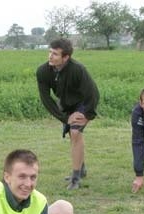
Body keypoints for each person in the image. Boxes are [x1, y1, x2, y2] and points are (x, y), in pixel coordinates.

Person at [36, 38, 99, 190]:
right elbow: (46, 99)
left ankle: (76, 178)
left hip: (83, 103)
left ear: (66, 57)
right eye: (50, 52)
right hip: (65, 105)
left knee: (76, 133)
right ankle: (81, 169)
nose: (50, 56)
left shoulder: (78, 70)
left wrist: (87, 115)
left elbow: (93, 94)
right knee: (73, 135)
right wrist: (65, 117)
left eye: (55, 54)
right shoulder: (43, 71)